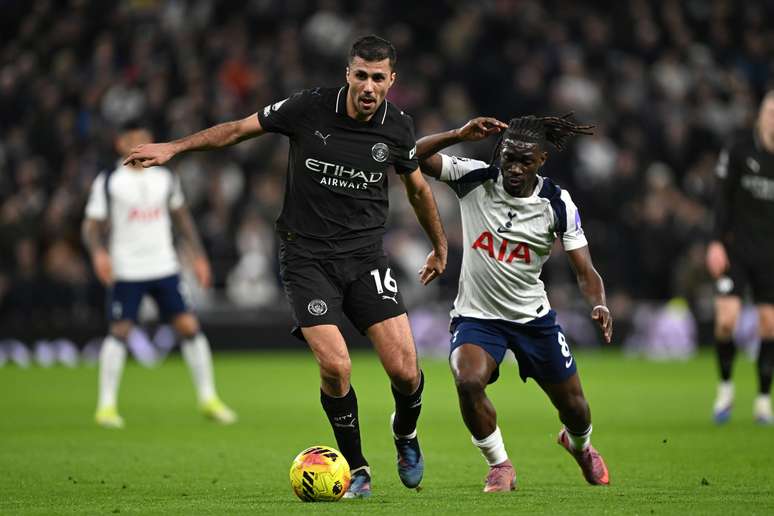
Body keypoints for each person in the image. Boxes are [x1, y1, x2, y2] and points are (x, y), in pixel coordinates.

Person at [123, 35, 447, 497]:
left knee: (405, 371)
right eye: (361, 75)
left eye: (379, 77)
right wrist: (174, 148)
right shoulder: (309, 108)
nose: (369, 86)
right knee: (335, 368)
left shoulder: (397, 128)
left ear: (392, 80)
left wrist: (439, 245)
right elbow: (237, 129)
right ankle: (357, 468)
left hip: (364, 258)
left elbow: (417, 189)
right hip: (306, 257)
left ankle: (406, 436)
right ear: (348, 74)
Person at [416, 114, 611, 491]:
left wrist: (599, 303)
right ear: (499, 154)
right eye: (508, 159)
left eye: (525, 160)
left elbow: (585, 270)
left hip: (533, 319)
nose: (515, 169)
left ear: (541, 161)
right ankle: (499, 464)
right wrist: (458, 134)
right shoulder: (474, 177)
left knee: (576, 409)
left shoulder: (557, 202)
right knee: (467, 379)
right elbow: (412, 156)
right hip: (477, 316)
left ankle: (580, 445)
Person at [83, 121, 237, 429]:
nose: (137, 144)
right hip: (127, 268)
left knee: (190, 327)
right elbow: (91, 225)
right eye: (131, 139)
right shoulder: (110, 180)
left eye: (143, 138)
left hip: (164, 265)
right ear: (119, 144)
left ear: (151, 141)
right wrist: (99, 253)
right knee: (120, 331)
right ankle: (106, 406)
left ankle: (209, 398)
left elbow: (182, 220)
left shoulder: (165, 177)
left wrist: (198, 256)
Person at [706, 91, 774, 425]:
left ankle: (763, 400)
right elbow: (721, 199)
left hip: (770, 255)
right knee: (726, 322)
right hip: (736, 249)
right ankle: (725, 389)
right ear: (761, 114)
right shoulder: (739, 149)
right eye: (770, 111)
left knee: (770, 326)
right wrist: (716, 242)